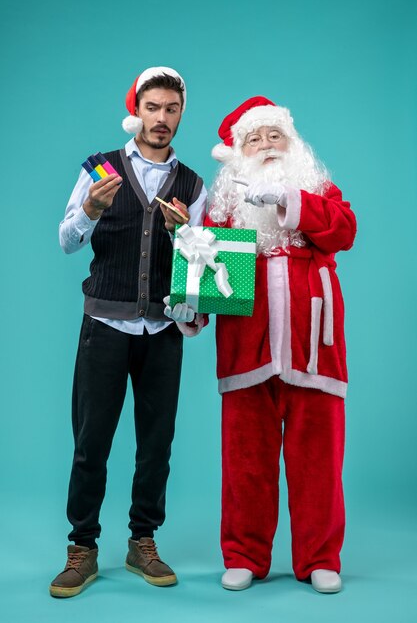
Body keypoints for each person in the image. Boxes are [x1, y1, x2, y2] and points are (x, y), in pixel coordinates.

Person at [167, 96, 356, 593]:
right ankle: (246, 555)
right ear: (238, 153)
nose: (267, 145)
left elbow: (344, 230)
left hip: (314, 349)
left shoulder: (318, 191)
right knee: (246, 461)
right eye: (254, 138)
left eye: (275, 135)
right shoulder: (226, 210)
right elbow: (209, 272)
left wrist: (288, 201)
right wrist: (192, 309)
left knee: (318, 460)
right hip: (246, 350)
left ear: (293, 145)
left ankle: (320, 558)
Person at [50, 67, 206, 598]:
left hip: (162, 328)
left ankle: (143, 541)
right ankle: (83, 548)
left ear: (181, 114)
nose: (162, 119)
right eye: (153, 108)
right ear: (136, 110)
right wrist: (91, 210)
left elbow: (199, 270)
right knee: (91, 442)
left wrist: (183, 234)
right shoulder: (99, 168)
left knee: (156, 445)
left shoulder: (193, 185)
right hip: (105, 325)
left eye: (172, 110)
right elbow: (67, 241)